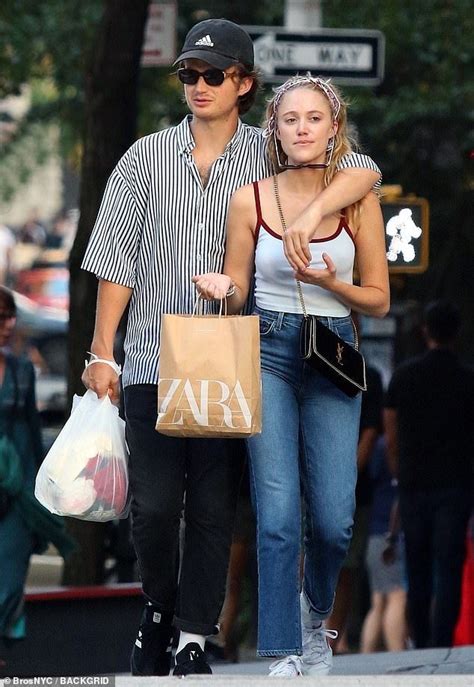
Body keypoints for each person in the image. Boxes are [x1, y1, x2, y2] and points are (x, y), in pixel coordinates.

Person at [81, 18, 381, 678]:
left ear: (244, 83)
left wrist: (305, 216)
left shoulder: (269, 156)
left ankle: (194, 635)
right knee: (155, 507)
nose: (199, 85)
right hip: (153, 360)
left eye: (214, 74)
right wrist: (102, 352)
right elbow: (115, 261)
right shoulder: (143, 158)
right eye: (189, 73)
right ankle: (159, 606)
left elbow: (360, 166)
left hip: (235, 361)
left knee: (216, 508)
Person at [194, 73, 390, 676]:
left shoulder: (358, 197)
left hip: (333, 354)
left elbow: (379, 300)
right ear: (274, 130)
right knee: (276, 514)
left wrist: (331, 281)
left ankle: (315, 618)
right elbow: (239, 288)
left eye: (314, 118)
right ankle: (281, 649)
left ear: (335, 129)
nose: (302, 129)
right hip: (268, 351)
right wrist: (224, 290)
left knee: (334, 520)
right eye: (290, 119)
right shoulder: (251, 198)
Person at [384, 300, 474, 649]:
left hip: (414, 482)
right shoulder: (468, 379)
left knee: (417, 563)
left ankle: (420, 638)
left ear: (425, 331)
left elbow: (391, 432)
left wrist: (398, 471)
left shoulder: (405, 376)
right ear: (457, 333)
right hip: (455, 484)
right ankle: (441, 638)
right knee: (449, 565)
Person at [0, 287, 74, 662]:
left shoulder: (21, 370)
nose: (8, 325)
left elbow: (31, 430)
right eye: (1, 318)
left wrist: (39, 486)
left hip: (16, 494)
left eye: (11, 317)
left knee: (11, 577)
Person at [328, 364, 384, 653]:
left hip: (353, 486)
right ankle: (316, 630)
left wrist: (347, 476)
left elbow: (372, 431)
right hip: (320, 475)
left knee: (347, 562)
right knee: (309, 554)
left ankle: (332, 637)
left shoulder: (368, 374)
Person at [360, 436, 407, 652]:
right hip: (391, 533)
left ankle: (366, 655)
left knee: (378, 601)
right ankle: (396, 653)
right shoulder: (393, 446)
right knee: (397, 596)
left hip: (375, 532)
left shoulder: (377, 448)